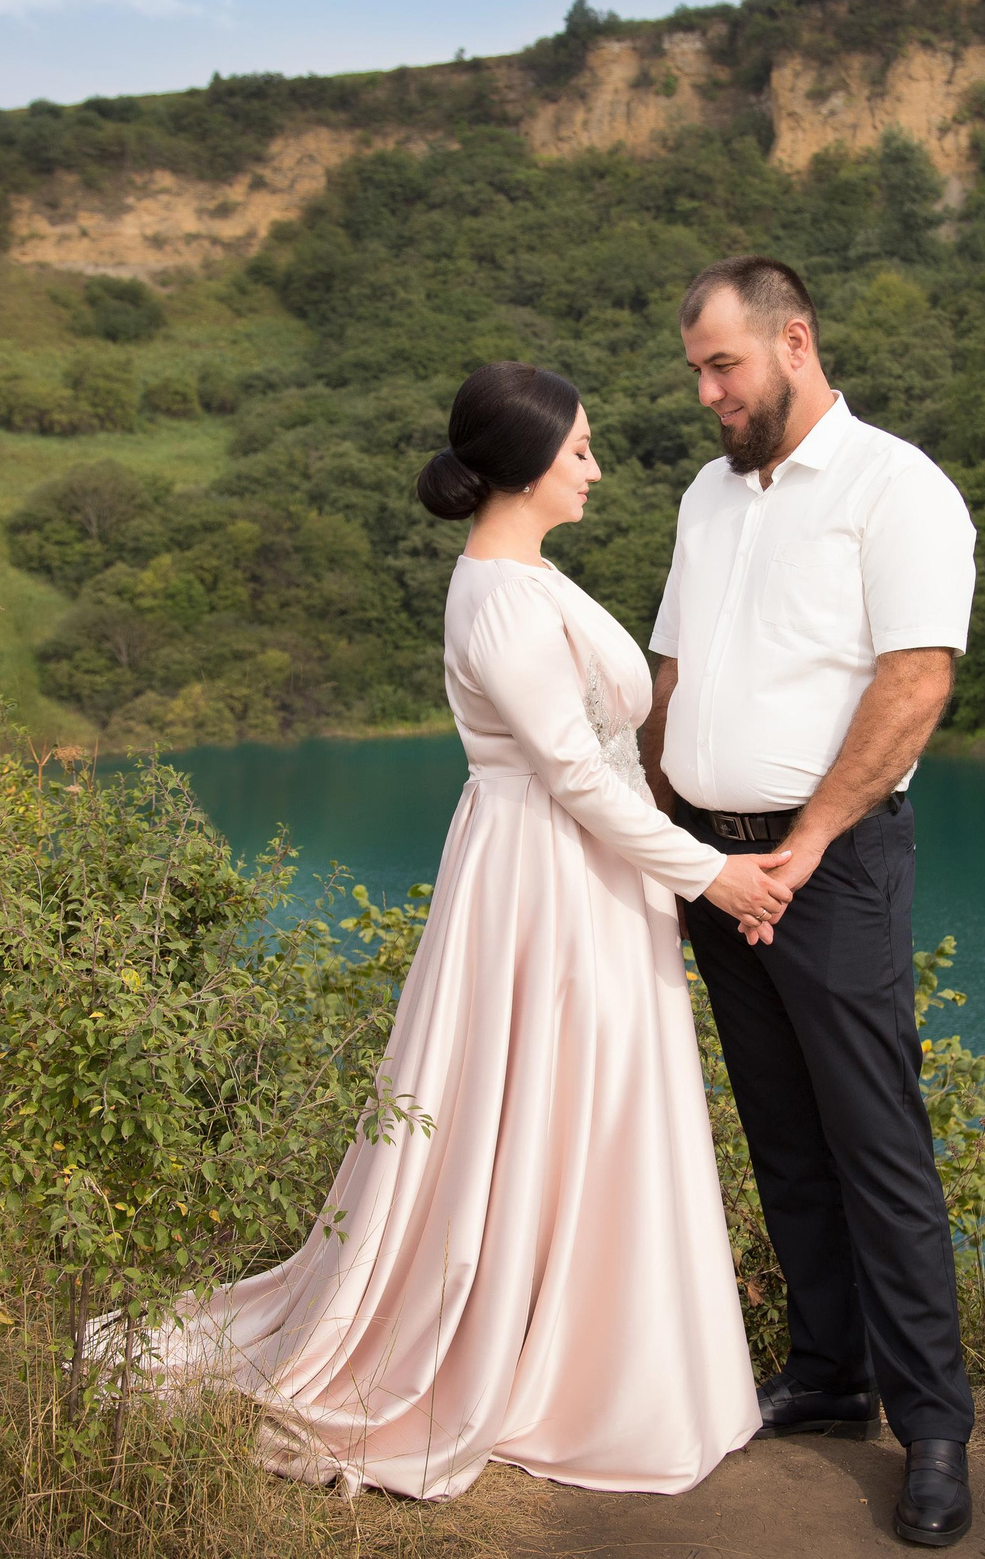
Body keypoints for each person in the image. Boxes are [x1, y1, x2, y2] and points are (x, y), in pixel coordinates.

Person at [109, 361, 796, 1500]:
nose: (596, 468)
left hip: (591, 865)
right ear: (525, 467)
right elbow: (574, 773)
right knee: (555, 1094)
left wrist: (677, 868)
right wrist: (710, 876)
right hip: (546, 872)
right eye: (579, 449)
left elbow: (601, 762)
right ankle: (555, 1367)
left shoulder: (530, 576)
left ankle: (604, 1354)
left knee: (596, 1096)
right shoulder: (498, 597)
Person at [640, 256, 981, 1547]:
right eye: (697, 373)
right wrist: (661, 830)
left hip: (828, 867)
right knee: (782, 1133)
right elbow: (670, 673)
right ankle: (829, 1371)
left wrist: (805, 841)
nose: (709, 394)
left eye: (723, 366)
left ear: (795, 341)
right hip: (715, 866)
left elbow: (915, 682)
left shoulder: (898, 486)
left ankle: (933, 1427)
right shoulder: (706, 494)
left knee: (876, 1143)